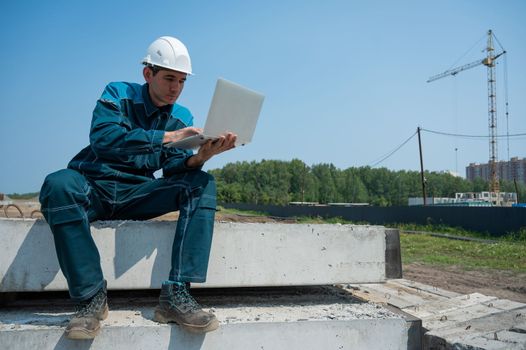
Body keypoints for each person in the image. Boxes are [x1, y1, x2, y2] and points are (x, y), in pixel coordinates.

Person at [39, 36, 236, 339]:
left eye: (182, 81)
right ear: (148, 74)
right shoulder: (117, 93)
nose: (176, 88)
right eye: (170, 78)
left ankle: (176, 295)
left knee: (201, 183)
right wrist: (166, 137)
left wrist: (200, 157)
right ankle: (91, 299)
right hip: (93, 184)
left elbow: (172, 169)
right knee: (57, 184)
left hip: (138, 193)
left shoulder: (181, 116)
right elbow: (104, 139)